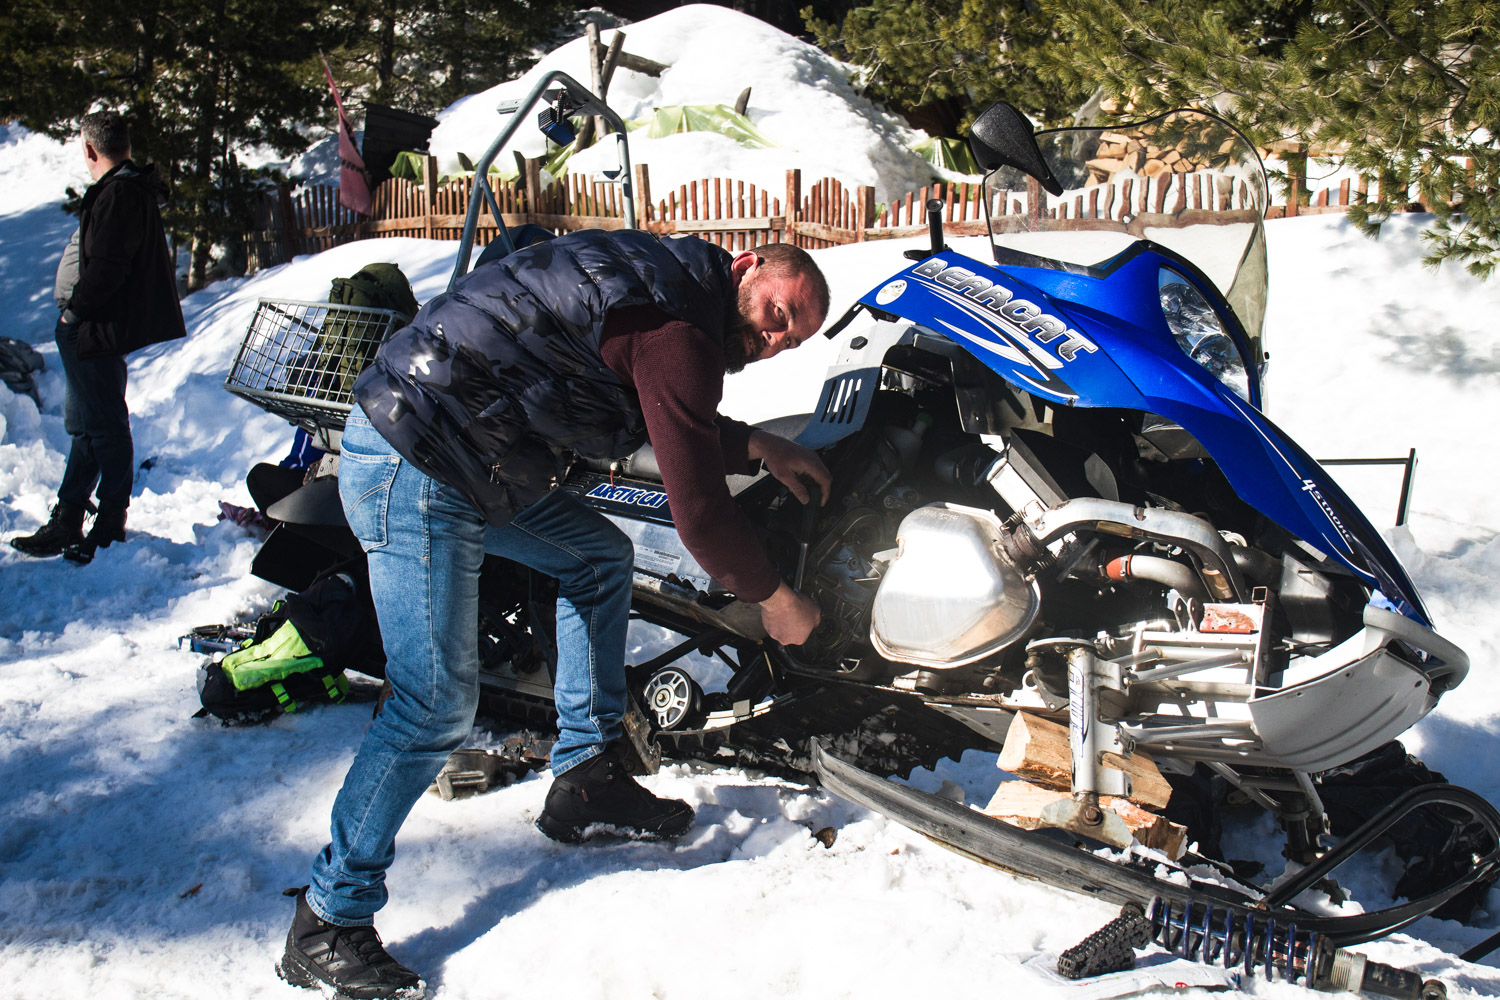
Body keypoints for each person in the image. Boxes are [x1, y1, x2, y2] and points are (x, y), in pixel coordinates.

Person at [276, 231, 832, 999]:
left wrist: (754, 444)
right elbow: (698, 511)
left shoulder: (667, 286)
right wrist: (775, 598)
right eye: (778, 312)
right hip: (416, 459)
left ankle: (583, 777)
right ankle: (326, 921)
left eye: (790, 339)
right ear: (746, 268)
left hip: (459, 451)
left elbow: (660, 412)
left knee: (595, 560)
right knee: (434, 702)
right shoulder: (680, 329)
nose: (773, 338)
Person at [10, 110, 186, 562]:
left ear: (90, 150)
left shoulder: (121, 193)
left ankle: (109, 522)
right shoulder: (122, 189)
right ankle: (68, 517)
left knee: (104, 425)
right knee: (86, 426)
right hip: (89, 328)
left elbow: (109, 266)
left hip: (94, 327)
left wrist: (75, 313)